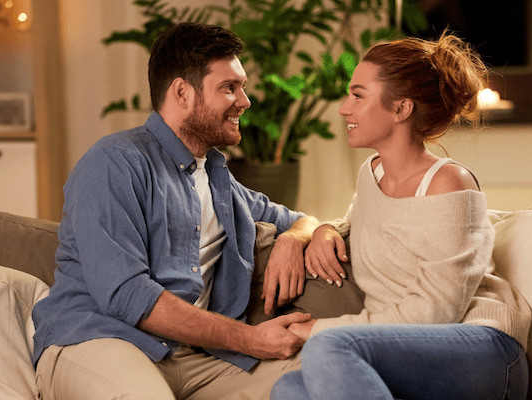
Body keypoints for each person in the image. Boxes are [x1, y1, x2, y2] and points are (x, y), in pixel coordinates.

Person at [32, 22, 322, 400]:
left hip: (191, 358)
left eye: (243, 86)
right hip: (99, 339)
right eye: (229, 88)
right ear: (182, 92)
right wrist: (252, 340)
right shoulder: (114, 163)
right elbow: (128, 296)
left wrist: (295, 238)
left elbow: (307, 220)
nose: (245, 101)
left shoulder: (219, 179)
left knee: (322, 376)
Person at [271, 31, 532, 400]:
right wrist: (326, 230)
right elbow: (374, 226)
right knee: (289, 389)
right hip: (402, 353)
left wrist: (318, 329)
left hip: (482, 350)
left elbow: (437, 309)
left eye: (358, 95)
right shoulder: (371, 174)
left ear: (400, 108)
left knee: (328, 347)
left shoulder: (449, 183)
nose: (345, 108)